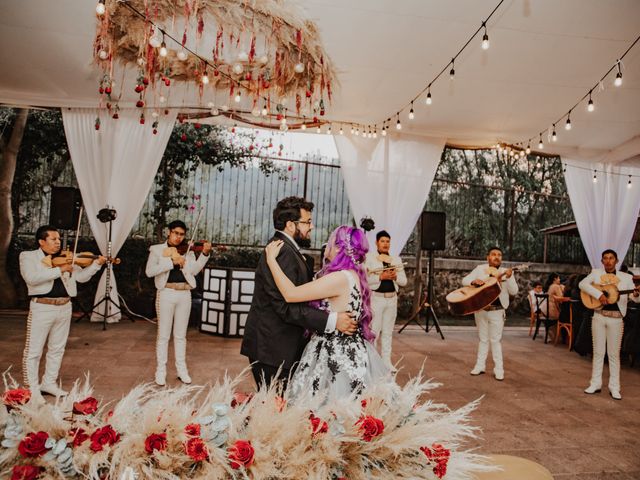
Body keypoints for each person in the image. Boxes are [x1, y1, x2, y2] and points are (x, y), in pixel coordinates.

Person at [240, 197, 357, 390]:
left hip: (278, 346)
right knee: (276, 408)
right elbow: (285, 306)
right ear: (290, 225)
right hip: (273, 349)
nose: (311, 226)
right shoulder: (282, 252)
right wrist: (332, 320)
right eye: (307, 222)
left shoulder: (285, 249)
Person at [265, 225, 388, 399]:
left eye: (330, 241)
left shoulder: (339, 278)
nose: (326, 246)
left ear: (338, 248)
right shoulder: (353, 275)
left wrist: (271, 261)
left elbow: (290, 294)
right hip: (350, 348)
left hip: (334, 353)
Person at [19, 225, 105, 399]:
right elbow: (31, 278)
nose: (58, 242)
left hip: (65, 306)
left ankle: (49, 383)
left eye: (59, 239)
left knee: (57, 348)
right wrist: (60, 270)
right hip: (42, 307)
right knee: (33, 351)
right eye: (53, 239)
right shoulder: (28, 256)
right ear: (41, 241)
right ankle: (32, 388)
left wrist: (96, 264)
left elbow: (81, 277)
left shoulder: (66, 258)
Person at [145, 220, 211, 386]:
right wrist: (171, 262)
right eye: (176, 233)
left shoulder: (187, 251)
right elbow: (150, 271)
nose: (178, 237)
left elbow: (194, 270)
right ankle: (161, 370)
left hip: (185, 294)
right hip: (166, 292)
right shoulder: (157, 250)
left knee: (181, 335)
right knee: (163, 335)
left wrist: (204, 254)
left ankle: (182, 370)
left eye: (181, 234)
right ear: (169, 232)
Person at [579, 249, 639, 400]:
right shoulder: (596, 273)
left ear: (617, 261)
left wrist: (637, 294)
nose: (608, 261)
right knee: (598, 352)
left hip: (617, 319)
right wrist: (598, 294)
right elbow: (582, 284)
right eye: (605, 258)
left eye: (611, 258)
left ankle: (615, 387)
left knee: (613, 354)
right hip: (599, 317)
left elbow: (635, 298)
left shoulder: (626, 278)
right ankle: (595, 383)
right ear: (602, 261)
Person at [462, 246, 518, 381]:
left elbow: (514, 291)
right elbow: (464, 280)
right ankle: (480, 366)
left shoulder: (506, 272)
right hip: (481, 309)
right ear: (488, 257)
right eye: (493, 254)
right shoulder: (480, 269)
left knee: (495, 340)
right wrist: (473, 281)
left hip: (497, 311)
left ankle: (499, 369)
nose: (497, 257)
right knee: (483, 339)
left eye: (499, 255)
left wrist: (509, 278)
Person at [364, 230, 407, 370]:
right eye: (382, 241)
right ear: (377, 242)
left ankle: (387, 362)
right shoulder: (369, 258)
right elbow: (364, 279)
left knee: (388, 332)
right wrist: (380, 277)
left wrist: (395, 277)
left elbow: (404, 281)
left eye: (387, 241)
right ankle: (373, 363)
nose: (385, 244)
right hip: (377, 299)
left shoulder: (396, 259)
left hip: (391, 299)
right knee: (374, 332)